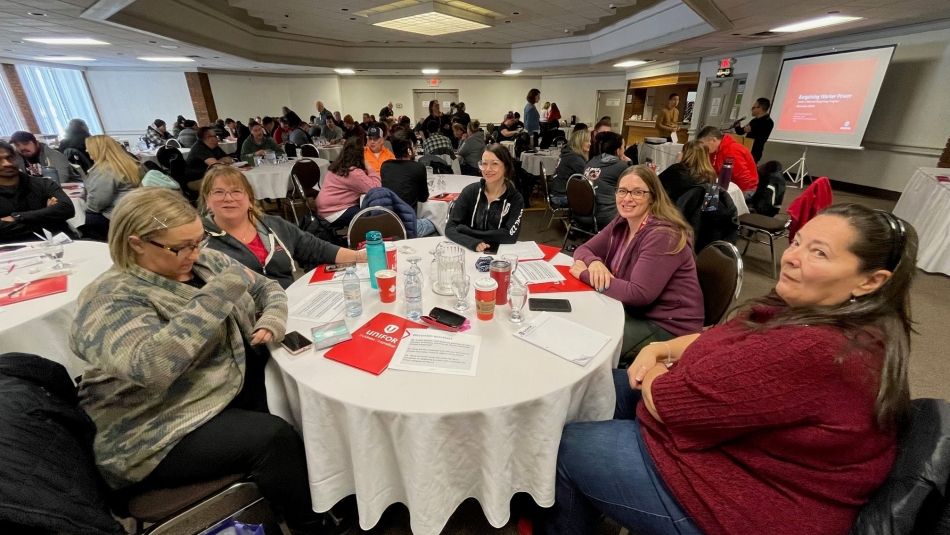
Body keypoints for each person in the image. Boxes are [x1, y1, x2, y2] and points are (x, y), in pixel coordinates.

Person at [551, 203, 918, 535]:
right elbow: (714, 337)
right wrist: (659, 349)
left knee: (570, 444)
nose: (792, 257)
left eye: (818, 253)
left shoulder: (821, 349)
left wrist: (658, 365)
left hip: (755, 504)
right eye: (798, 242)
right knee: (604, 387)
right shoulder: (805, 308)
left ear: (870, 281)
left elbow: (667, 403)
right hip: (737, 445)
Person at [69, 187, 353, 534]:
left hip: (223, 385)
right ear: (137, 243)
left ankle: (336, 490)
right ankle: (311, 524)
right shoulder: (108, 299)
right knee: (273, 437)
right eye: (182, 246)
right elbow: (154, 367)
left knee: (315, 396)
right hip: (155, 427)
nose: (194, 252)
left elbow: (267, 288)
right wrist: (225, 289)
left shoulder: (202, 260)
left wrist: (272, 319)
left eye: (198, 241)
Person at [571, 164, 702, 358]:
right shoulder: (623, 221)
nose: (627, 199)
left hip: (668, 326)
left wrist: (584, 274)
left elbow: (638, 293)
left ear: (653, 197)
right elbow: (584, 249)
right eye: (622, 191)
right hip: (632, 310)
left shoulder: (662, 235)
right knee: (579, 321)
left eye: (638, 192)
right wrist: (595, 263)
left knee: (585, 347)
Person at [200, 166, 365, 289]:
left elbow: (316, 248)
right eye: (219, 192)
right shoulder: (199, 241)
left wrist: (359, 256)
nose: (228, 198)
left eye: (236, 191)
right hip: (247, 320)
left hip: (290, 302)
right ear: (207, 199)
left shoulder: (273, 225)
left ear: (249, 198)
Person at [445, 144, 524, 252]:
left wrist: (468, 232)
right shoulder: (470, 192)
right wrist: (471, 242)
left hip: (502, 254)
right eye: (484, 163)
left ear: (506, 167)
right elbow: (450, 228)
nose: (487, 169)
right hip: (467, 250)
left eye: (494, 164)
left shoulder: (515, 199)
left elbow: (509, 236)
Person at [0, 140, 74, 243]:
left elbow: (67, 208)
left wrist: (17, 217)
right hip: (11, 250)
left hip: (57, 244)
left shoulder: (43, 184)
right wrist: (47, 214)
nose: (7, 163)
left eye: (9, 158)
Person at [82, 135, 144, 240]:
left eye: (89, 148)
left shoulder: (105, 170)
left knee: (87, 217)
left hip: (117, 216)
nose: (86, 150)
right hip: (134, 210)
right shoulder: (128, 164)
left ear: (98, 150)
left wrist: (85, 208)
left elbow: (97, 203)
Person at [316, 136, 380, 228]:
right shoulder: (353, 173)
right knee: (372, 216)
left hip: (324, 208)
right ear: (360, 153)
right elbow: (375, 188)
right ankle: (362, 240)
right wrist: (370, 167)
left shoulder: (336, 166)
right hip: (334, 211)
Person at [583, 131, 632, 227]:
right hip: (605, 216)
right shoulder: (621, 166)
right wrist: (629, 162)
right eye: (623, 147)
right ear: (618, 151)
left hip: (582, 212)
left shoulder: (592, 161)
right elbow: (634, 185)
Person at [697, 125, 758, 192]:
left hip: (744, 189)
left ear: (713, 140)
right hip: (726, 185)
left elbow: (744, 179)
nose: (702, 147)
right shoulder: (714, 150)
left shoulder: (732, 150)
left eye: (702, 143)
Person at [10, 131, 82, 184]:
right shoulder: (15, 159)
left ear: (37, 143)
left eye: (26, 143)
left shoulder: (54, 155)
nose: (22, 148)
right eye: (17, 145)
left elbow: (60, 180)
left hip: (68, 191)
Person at [380, 133, 429, 209]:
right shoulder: (418, 167)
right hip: (409, 218)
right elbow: (423, 198)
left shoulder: (385, 166)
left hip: (389, 217)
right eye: (413, 146)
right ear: (409, 150)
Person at [550, 127, 591, 207]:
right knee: (596, 199)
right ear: (580, 142)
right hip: (562, 196)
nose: (590, 143)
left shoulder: (568, 153)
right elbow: (588, 178)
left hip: (556, 193)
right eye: (587, 141)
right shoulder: (575, 158)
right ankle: (581, 219)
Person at [184, 126, 233, 190]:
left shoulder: (215, 146)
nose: (218, 138)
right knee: (225, 183)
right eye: (215, 136)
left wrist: (218, 161)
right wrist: (219, 162)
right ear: (208, 138)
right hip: (196, 180)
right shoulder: (199, 148)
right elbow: (217, 166)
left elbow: (229, 159)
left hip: (210, 176)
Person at [733, 97, 774, 162]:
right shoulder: (754, 120)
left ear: (760, 108)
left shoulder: (768, 122)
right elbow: (740, 132)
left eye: (753, 107)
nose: (751, 109)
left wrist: (751, 130)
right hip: (746, 150)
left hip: (754, 153)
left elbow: (761, 140)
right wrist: (737, 126)